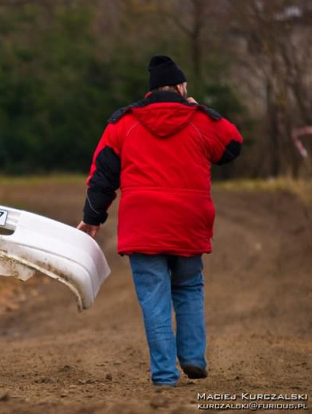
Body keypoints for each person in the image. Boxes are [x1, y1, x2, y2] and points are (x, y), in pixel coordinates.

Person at [77, 55, 243, 386]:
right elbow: (232, 145)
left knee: (155, 297)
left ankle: (165, 375)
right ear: (181, 87)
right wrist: (202, 108)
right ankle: (193, 357)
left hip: (143, 225)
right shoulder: (199, 119)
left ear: (151, 90)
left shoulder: (123, 123)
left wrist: (92, 219)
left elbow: (102, 176)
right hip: (188, 222)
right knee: (189, 287)